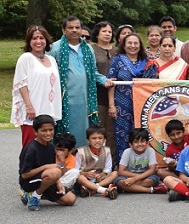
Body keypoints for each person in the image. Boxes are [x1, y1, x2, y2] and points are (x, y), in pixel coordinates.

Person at [47, 16, 113, 147]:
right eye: (70, 28)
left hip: (85, 101)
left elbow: (93, 72)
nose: (74, 30)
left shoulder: (87, 49)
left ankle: (81, 162)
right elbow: (48, 74)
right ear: (63, 30)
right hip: (64, 101)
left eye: (77, 27)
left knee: (84, 132)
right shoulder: (55, 48)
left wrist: (105, 81)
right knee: (66, 134)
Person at [108, 33, 157, 161]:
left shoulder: (147, 62)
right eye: (129, 43)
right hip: (121, 105)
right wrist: (111, 105)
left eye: (136, 43)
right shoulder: (117, 60)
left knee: (142, 134)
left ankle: (143, 165)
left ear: (140, 46)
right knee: (122, 135)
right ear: (123, 45)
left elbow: (153, 84)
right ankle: (123, 165)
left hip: (142, 106)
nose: (133, 46)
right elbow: (111, 83)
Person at [12, 25, 62, 148]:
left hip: (48, 109)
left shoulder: (51, 59)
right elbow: (21, 84)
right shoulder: (26, 58)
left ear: (46, 40)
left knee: (45, 146)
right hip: (33, 109)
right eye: (34, 38)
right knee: (31, 146)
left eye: (41, 38)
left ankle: (45, 167)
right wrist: (29, 106)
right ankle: (28, 168)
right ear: (29, 41)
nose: (38, 41)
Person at [19, 115, 76, 211]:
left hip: (45, 181)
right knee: (55, 172)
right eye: (44, 131)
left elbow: (55, 170)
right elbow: (25, 175)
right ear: (35, 132)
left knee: (71, 199)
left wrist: (58, 183)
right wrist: (45, 166)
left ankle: (31, 195)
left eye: (51, 130)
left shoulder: (50, 147)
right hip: (29, 182)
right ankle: (34, 196)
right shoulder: (31, 149)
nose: (48, 133)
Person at [91, 21, 119, 167]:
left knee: (112, 134)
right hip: (98, 96)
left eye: (109, 31)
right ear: (97, 33)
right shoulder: (91, 49)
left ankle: (112, 164)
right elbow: (91, 72)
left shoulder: (117, 50)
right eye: (104, 31)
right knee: (99, 132)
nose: (107, 34)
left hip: (117, 97)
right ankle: (97, 165)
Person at [114, 128, 168, 194]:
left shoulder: (150, 151)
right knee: (119, 181)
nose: (139, 144)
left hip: (145, 176)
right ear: (130, 144)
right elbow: (121, 171)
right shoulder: (127, 152)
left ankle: (127, 188)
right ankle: (150, 190)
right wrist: (135, 177)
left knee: (153, 179)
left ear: (147, 142)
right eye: (136, 142)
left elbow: (152, 170)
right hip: (130, 176)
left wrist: (135, 179)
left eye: (142, 141)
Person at [74, 125, 119, 199]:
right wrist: (85, 174)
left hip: (100, 178)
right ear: (88, 140)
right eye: (94, 138)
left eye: (100, 138)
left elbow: (108, 168)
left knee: (115, 173)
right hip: (86, 178)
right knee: (80, 178)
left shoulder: (107, 151)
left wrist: (102, 174)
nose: (97, 141)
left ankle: (92, 188)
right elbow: (75, 170)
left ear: (104, 140)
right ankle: (102, 189)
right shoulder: (80, 152)